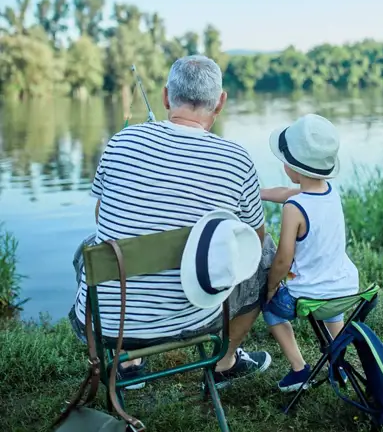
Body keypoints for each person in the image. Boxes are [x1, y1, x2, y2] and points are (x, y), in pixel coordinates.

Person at [70, 55, 275, 389]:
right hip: (198, 317)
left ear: (166, 97)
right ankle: (225, 361)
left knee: (89, 248)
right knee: (265, 250)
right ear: (220, 103)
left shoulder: (120, 142)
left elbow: (100, 216)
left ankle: (128, 361)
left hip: (105, 323)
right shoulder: (237, 159)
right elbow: (254, 238)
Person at [260, 113, 359, 392]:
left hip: (312, 296)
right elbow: (287, 192)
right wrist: (258, 192)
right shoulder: (329, 192)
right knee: (330, 307)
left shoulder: (295, 209)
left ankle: (299, 369)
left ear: (294, 168)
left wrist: (270, 287)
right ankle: (338, 363)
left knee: (270, 310)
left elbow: (283, 259)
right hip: (344, 291)